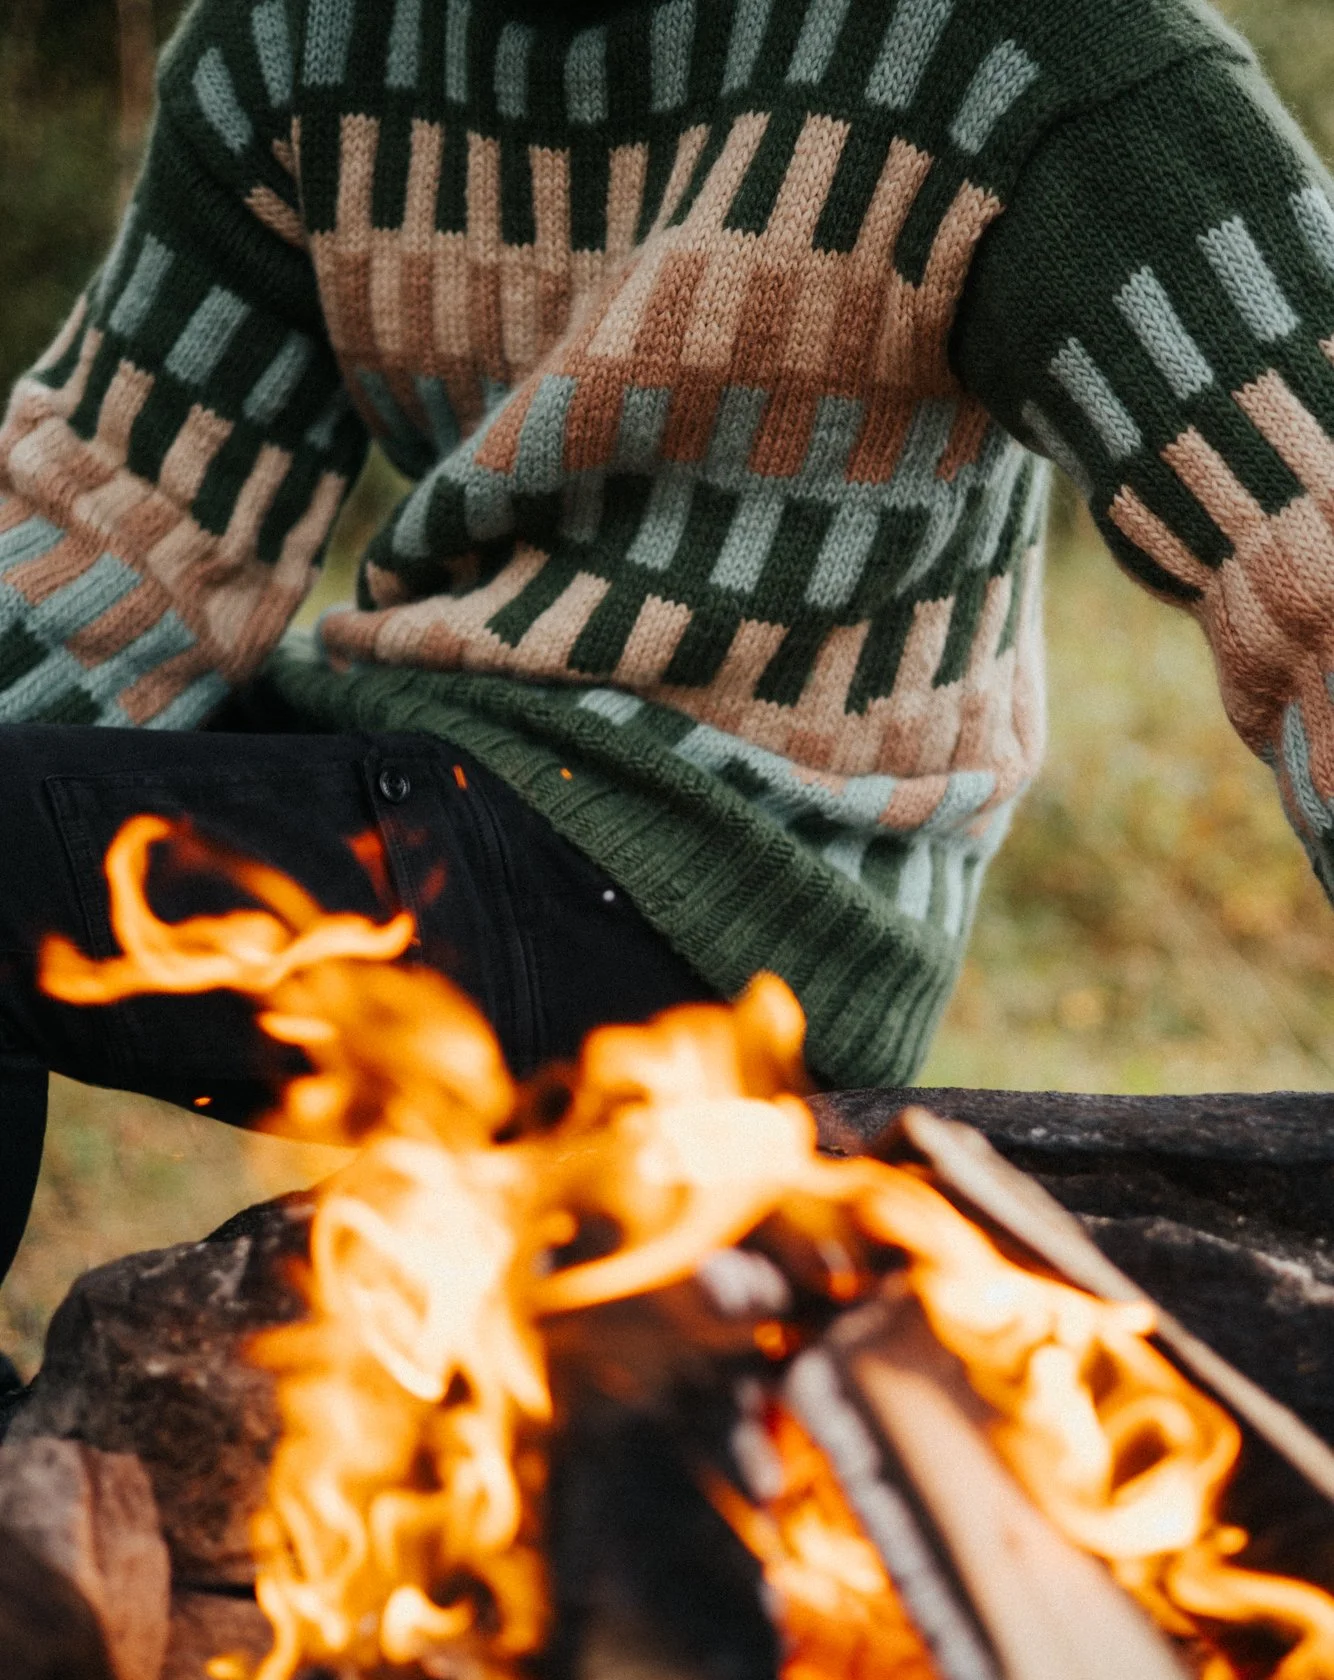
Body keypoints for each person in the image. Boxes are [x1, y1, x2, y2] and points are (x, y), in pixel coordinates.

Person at [1, 0, 1333, 1270]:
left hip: (727, 893)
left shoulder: (1008, 55)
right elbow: (116, 521)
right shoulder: (292, 47)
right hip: (430, 762)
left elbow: (1311, 539)